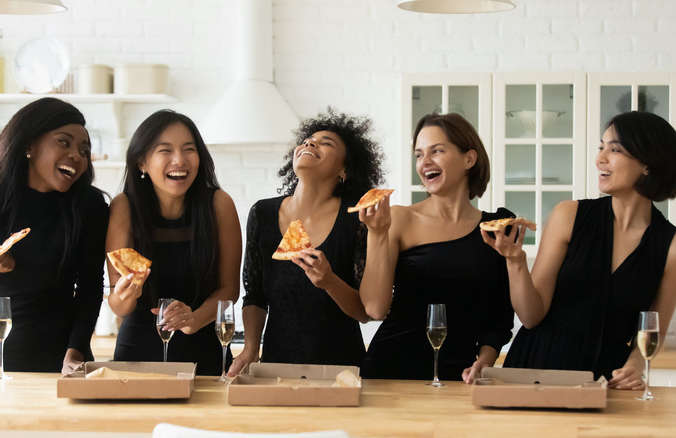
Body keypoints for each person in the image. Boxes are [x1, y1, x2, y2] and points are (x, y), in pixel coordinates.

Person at [483, 111, 676, 388]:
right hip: (536, 368)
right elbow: (531, 316)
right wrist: (515, 260)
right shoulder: (568, 216)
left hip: (606, 380)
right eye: (601, 147)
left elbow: (652, 333)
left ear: (648, 164)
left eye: (615, 149)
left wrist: (634, 366)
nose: (600, 158)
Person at [0, 97, 109, 374]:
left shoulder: (89, 206)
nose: (77, 154)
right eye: (64, 142)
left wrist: (76, 351)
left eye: (84, 150)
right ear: (29, 144)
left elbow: (90, 289)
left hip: (62, 355)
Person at [227, 107, 385, 376]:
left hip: (342, 371)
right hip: (276, 369)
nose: (310, 143)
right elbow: (254, 295)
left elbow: (365, 312)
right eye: (307, 140)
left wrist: (329, 281)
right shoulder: (262, 213)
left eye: (326, 143)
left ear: (344, 170)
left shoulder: (357, 220)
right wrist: (251, 348)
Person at [357, 112, 514, 383]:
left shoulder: (496, 227)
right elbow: (374, 308)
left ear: (469, 158)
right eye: (419, 155)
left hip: (461, 376)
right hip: (392, 371)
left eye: (436, 151)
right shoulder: (400, 219)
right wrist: (377, 234)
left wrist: (484, 363)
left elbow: (499, 319)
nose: (424, 162)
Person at [106, 110, 241, 375]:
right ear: (142, 162)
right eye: (165, 150)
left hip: (204, 354)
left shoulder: (219, 204)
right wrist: (124, 295)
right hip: (136, 357)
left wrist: (194, 319)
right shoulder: (124, 207)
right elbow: (117, 304)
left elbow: (229, 289)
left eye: (189, 149)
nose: (179, 160)